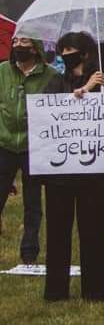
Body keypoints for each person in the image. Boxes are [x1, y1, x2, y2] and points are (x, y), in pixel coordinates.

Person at [44, 32, 104, 301]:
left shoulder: (103, 79)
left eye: (70, 50)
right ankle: (56, 291)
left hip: (91, 171)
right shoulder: (56, 81)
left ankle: (95, 290)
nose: (65, 55)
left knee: (92, 231)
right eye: (62, 50)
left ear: (84, 53)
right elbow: (49, 109)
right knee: (57, 232)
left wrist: (95, 88)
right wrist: (80, 93)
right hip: (59, 171)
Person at [0, 36, 59, 263]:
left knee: (33, 202)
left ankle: (29, 252)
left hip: (35, 147)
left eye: (23, 41)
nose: (17, 46)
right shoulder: (3, 71)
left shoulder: (51, 75)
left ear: (35, 48)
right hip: (4, 144)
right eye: (14, 41)